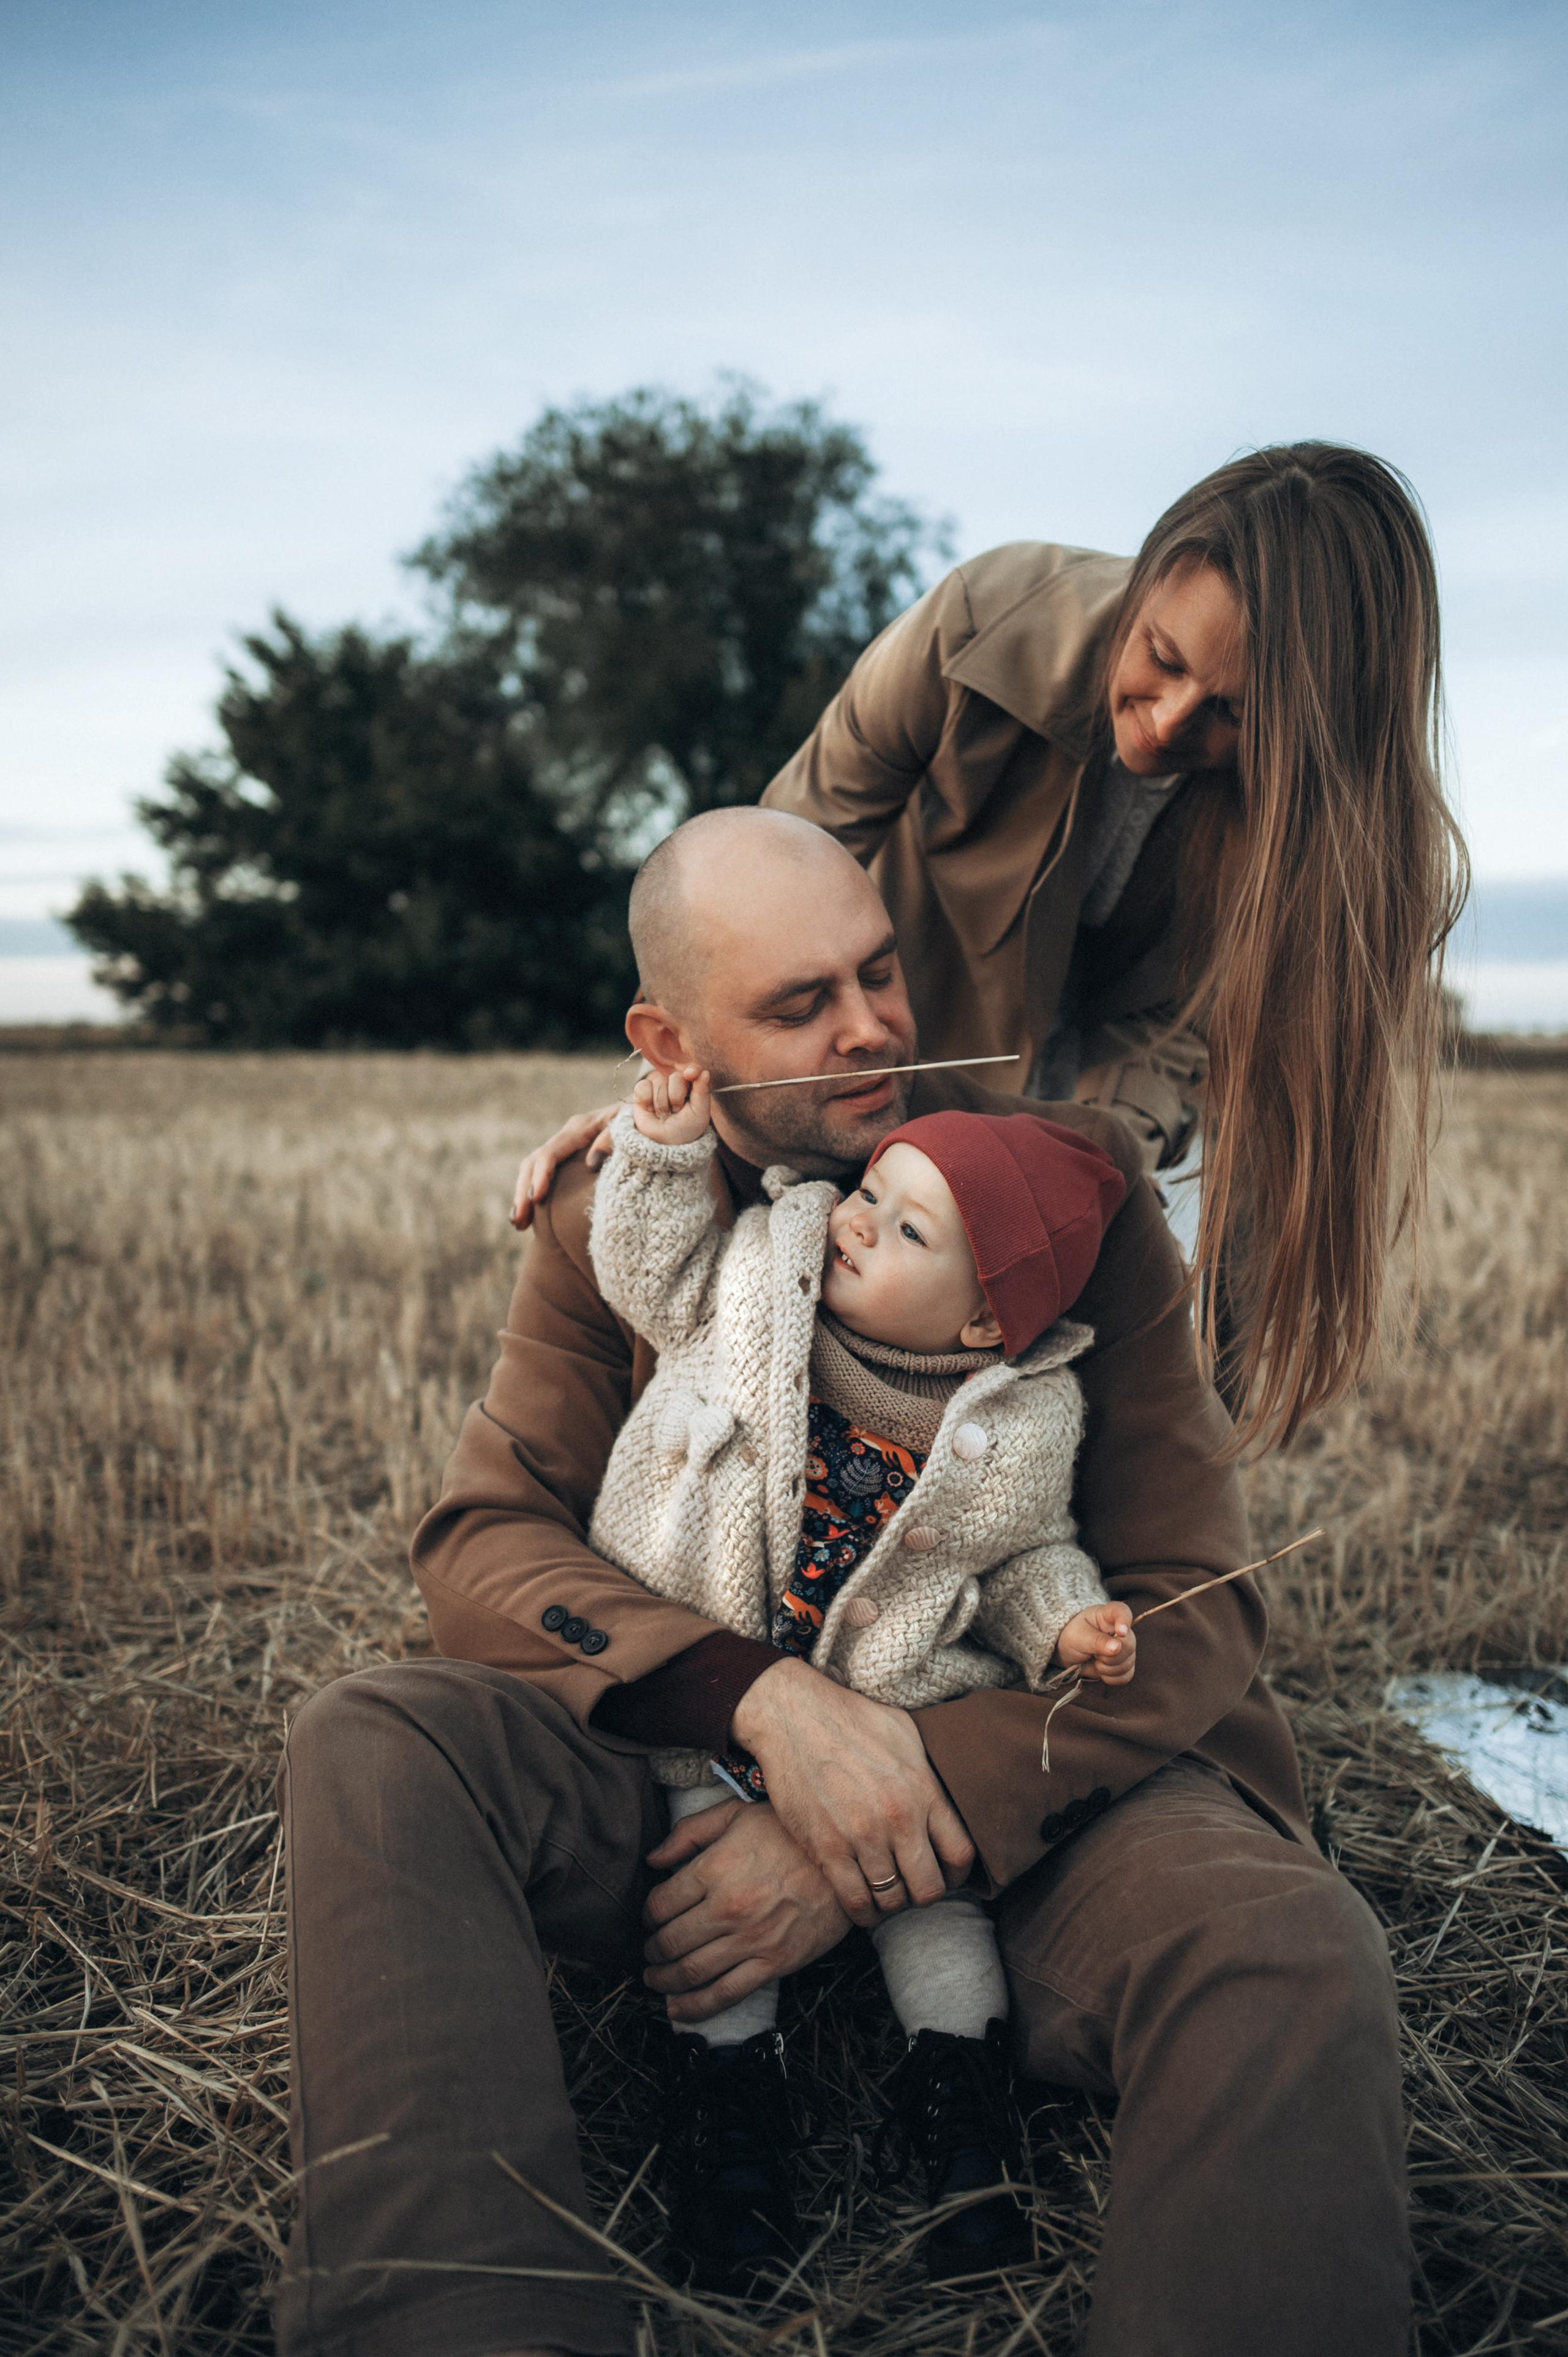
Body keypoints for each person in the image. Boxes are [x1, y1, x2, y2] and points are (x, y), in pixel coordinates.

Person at [276, 808, 1410, 2357]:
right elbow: (483, 1542)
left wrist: (894, 1805)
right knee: (373, 1740)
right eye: (800, 1003)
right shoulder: (613, 1212)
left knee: (1287, 1946)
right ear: (670, 1044)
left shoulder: (1062, 1193)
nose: (871, 1025)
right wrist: (761, 1710)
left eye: (878, 971)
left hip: (1026, 1795)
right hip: (668, 1791)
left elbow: (1190, 1599)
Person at [519, 442, 1468, 1452]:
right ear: (1146, 577)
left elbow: (1188, 1031)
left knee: (1118, 1366)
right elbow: (771, 870)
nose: (1168, 723)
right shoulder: (987, 618)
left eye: (1235, 713)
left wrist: (1087, 1168)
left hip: (1149, 1088)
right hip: (918, 1037)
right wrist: (682, 1082)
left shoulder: (1335, 837)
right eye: (1162, 656)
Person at [586, 1061, 1134, 2284]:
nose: (858, 1219)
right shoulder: (759, 1278)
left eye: (907, 1230)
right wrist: (662, 1156)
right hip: (714, 1703)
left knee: (933, 1901)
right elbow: (648, 1273)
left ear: (985, 1323)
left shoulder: (1023, 1420)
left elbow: (1025, 1559)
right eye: (872, 1191)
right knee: (708, 1899)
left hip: (891, 1732)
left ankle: (960, 2114)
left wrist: (1068, 1625)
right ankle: (729, 2108)